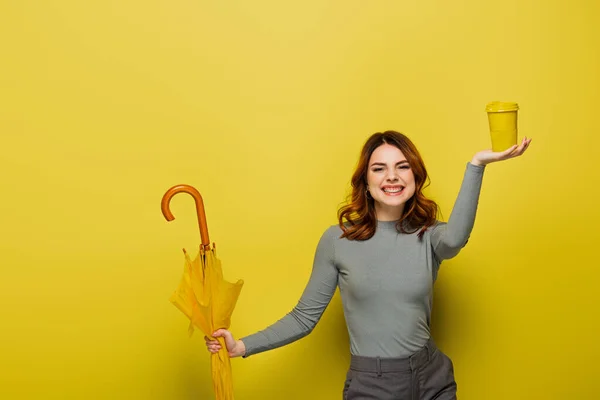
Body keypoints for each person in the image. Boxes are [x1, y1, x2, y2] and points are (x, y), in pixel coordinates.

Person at [204, 131, 531, 400]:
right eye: (379, 168)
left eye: (402, 167)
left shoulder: (429, 235)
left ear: (415, 177)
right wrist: (242, 346)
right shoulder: (338, 241)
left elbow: (457, 238)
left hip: (432, 377)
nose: (392, 176)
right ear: (365, 181)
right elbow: (304, 317)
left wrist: (477, 165)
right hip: (373, 386)